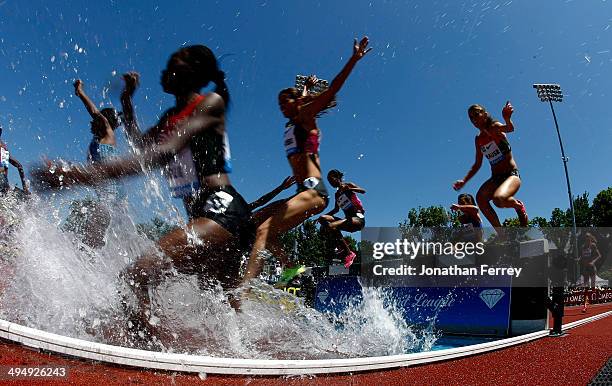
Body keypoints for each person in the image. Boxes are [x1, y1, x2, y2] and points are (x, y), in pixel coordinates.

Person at [32, 45, 251, 324]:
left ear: (194, 72)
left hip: (222, 210)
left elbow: (161, 153)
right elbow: (139, 144)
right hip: (202, 217)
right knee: (223, 309)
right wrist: (126, 100)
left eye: (174, 64)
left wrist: (77, 175)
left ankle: (145, 350)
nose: (164, 70)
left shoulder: (210, 103)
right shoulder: (170, 117)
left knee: (136, 277)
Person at [240, 36, 372, 285]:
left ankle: (241, 293)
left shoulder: (306, 115)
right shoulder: (293, 120)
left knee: (262, 232)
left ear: (296, 102)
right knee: (254, 221)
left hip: (314, 191)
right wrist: (306, 88)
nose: (281, 107)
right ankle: (293, 269)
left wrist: (353, 59)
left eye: (284, 101)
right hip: (300, 192)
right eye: (278, 104)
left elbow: (332, 89)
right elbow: (299, 99)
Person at [453, 101, 528, 229]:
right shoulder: (478, 140)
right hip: (496, 178)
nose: (474, 119)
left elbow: (510, 128)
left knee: (498, 200)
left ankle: (518, 206)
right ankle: (501, 234)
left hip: (511, 175)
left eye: (476, 114)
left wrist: (507, 119)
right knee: (480, 199)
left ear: (485, 114)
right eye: (471, 117)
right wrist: (464, 181)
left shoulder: (495, 127)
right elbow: (477, 164)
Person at [70, 79, 123, 248]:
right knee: (94, 235)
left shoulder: (109, 134)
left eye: (101, 118)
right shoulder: (98, 140)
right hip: (106, 195)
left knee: (91, 235)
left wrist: (81, 93)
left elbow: (94, 112)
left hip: (112, 195)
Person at [318, 169, 365, 268]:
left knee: (331, 226)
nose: (331, 183)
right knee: (322, 218)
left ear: (337, 178)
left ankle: (343, 249)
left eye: (331, 180)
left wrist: (351, 189)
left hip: (358, 219)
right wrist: (318, 218)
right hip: (348, 220)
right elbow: (336, 210)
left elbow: (363, 191)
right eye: (329, 182)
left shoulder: (348, 185)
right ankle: (345, 250)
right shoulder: (337, 195)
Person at [0, 125, 29, 196]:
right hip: (4, 182)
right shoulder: (4, 148)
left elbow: (19, 166)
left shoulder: (3, 148)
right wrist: (25, 187)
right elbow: (19, 166)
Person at [580, 232, 601, 312]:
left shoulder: (593, 245)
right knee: (585, 287)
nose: (587, 241)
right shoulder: (583, 247)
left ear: (591, 239)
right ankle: (584, 306)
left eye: (588, 239)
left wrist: (593, 261)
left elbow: (599, 255)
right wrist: (579, 259)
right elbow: (582, 256)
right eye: (586, 239)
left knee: (592, 287)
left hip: (592, 268)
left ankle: (596, 295)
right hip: (586, 269)